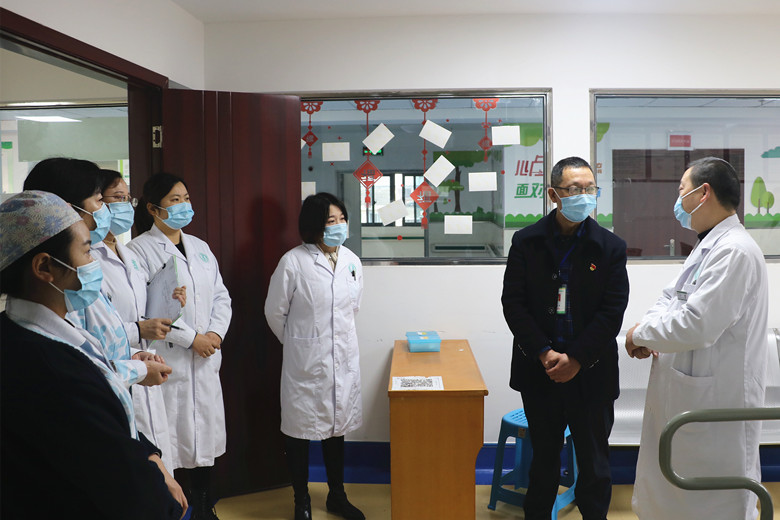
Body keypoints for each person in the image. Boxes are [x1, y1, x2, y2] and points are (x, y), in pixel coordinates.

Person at [0, 191, 185, 519]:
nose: (94, 263)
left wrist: (150, 455)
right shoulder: (52, 372)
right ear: (44, 267)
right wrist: (166, 503)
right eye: (86, 251)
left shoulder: (28, 332)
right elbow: (128, 492)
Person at [625, 157, 769, 520]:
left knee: (714, 498)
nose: (678, 201)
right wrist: (648, 332)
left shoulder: (734, 251)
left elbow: (697, 324)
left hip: (716, 401)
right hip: (688, 396)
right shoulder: (708, 248)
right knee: (678, 490)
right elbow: (669, 299)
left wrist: (640, 334)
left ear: (703, 193)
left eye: (681, 191)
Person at [501, 157, 629, 520]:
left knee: (594, 464)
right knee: (543, 460)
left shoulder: (610, 246)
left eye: (590, 188)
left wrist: (575, 359)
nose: (584, 195)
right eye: (574, 189)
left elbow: (612, 312)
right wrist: (544, 352)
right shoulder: (526, 241)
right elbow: (513, 304)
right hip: (540, 372)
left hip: (592, 372)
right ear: (553, 194)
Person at [128, 173, 232, 520]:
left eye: (186, 198)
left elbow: (221, 296)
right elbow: (148, 310)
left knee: (204, 440)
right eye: (175, 200)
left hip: (205, 360)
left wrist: (215, 334)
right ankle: (178, 509)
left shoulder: (201, 248)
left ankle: (204, 507)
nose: (184, 205)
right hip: (169, 360)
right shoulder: (139, 250)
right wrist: (192, 339)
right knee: (172, 440)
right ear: (153, 208)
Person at [23, 157, 173, 389]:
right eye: (100, 200)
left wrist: (131, 356)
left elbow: (98, 345)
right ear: (68, 210)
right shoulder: (62, 288)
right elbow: (78, 372)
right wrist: (138, 369)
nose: (105, 210)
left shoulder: (78, 279)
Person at [265, 193, 365, 520]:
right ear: (314, 226)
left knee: (336, 429)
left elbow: (353, 307)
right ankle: (302, 501)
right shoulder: (293, 262)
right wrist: (299, 344)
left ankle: (337, 495)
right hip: (305, 362)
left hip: (342, 360)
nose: (338, 226)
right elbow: (274, 312)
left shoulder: (351, 260)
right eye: (330, 221)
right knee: (299, 433)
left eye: (341, 219)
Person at [98, 168, 184, 471]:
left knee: (158, 459)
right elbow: (94, 326)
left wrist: (168, 301)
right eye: (117, 198)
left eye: (127, 198)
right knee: (134, 464)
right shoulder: (89, 258)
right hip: (117, 370)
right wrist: (137, 330)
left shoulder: (127, 254)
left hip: (143, 362)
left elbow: (142, 307)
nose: (125, 205)